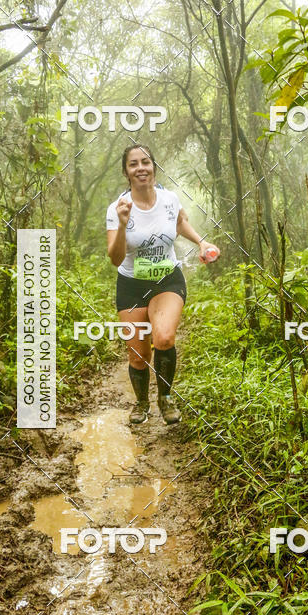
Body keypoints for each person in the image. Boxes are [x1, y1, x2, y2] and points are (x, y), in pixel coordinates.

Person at [106, 143, 219, 425]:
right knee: (138, 355)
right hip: (131, 283)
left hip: (167, 278)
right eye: (134, 164)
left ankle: (165, 398)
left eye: (145, 162)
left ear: (153, 166)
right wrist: (122, 224)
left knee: (164, 337)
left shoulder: (169, 199)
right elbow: (115, 258)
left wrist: (201, 241)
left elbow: (179, 224)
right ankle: (142, 402)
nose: (141, 168)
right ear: (126, 172)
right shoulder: (117, 208)